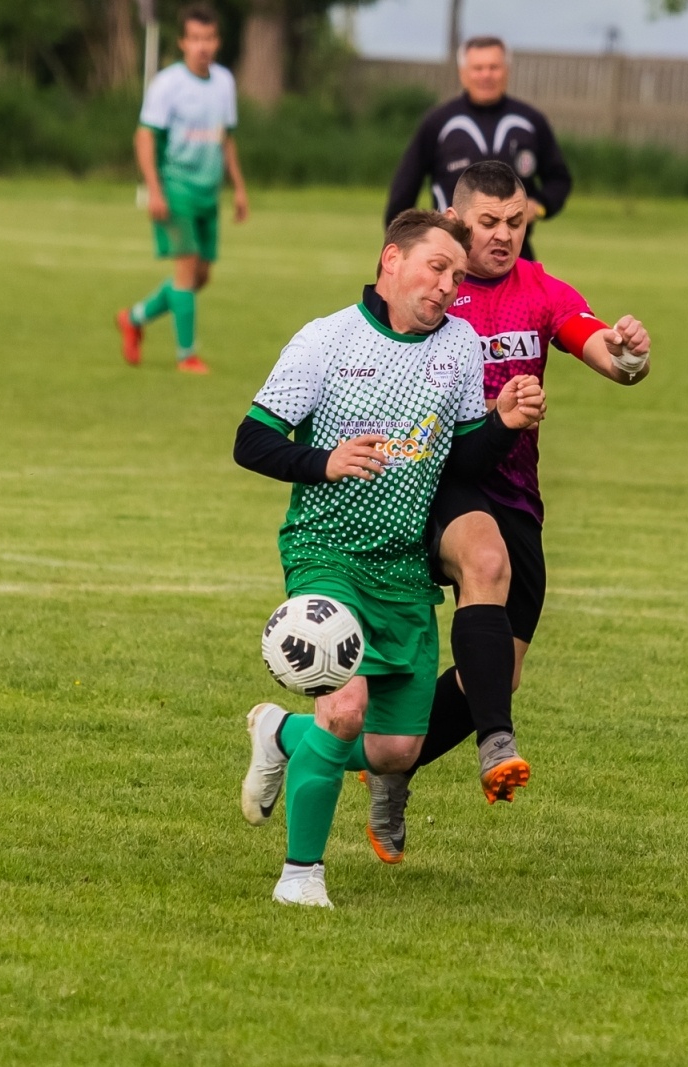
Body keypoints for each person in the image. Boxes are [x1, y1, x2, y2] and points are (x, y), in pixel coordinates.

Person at [232, 209, 546, 908]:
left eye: (457, 276)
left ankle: (279, 732)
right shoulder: (326, 340)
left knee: (396, 751)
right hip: (327, 552)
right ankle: (300, 876)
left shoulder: (461, 346)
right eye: (436, 267)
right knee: (343, 709)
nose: (447, 285)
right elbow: (250, 441)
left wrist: (502, 424)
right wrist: (324, 460)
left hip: (403, 567)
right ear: (392, 261)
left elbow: (458, 457)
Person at [363, 161, 653, 864]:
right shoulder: (434, 291)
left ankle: (388, 768)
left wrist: (629, 356)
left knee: (495, 671)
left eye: (516, 222)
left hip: (516, 493)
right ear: (458, 220)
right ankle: (497, 741)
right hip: (439, 484)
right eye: (488, 223)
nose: (504, 235)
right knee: (483, 560)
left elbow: (598, 346)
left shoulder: (542, 291)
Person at [115, 3, 248, 373]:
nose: (201, 46)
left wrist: (238, 188)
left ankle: (134, 318)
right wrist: (154, 190)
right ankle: (186, 355)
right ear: (182, 42)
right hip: (176, 188)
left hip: (209, 193)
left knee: (199, 277)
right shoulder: (168, 84)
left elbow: (227, 140)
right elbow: (144, 137)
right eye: (194, 39)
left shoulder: (224, 82)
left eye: (208, 38)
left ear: (217, 41)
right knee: (187, 271)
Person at [384, 36, 572, 263]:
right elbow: (404, 189)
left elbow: (559, 180)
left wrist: (539, 206)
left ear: (507, 71)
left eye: (494, 67)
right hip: (454, 255)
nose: (486, 75)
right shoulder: (438, 123)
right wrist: (403, 245)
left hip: (515, 256)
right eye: (478, 68)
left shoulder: (530, 122)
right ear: (463, 73)